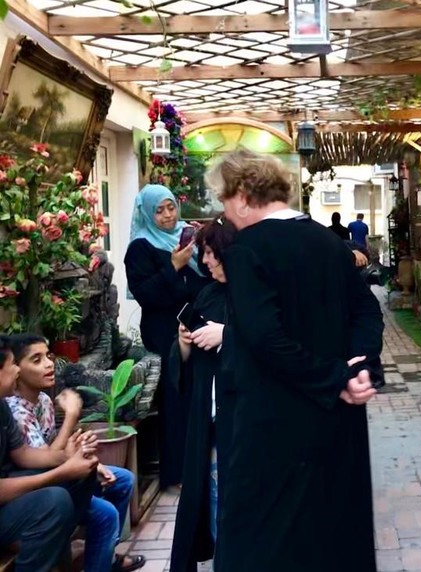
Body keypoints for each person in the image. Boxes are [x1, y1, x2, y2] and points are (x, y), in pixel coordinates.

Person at [205, 148, 384, 571]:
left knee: (265, 542)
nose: (224, 213)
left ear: (243, 196)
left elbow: (265, 340)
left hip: (274, 424)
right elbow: (367, 311)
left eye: (224, 200)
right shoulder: (328, 241)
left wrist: (338, 377)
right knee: (332, 534)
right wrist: (358, 368)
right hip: (336, 421)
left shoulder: (247, 250)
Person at [6, 334, 146, 572]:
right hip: (34, 492)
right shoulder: (15, 410)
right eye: (37, 360)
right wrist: (71, 416)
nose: (49, 364)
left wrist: (85, 456)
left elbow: (50, 450)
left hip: (53, 478)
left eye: (48, 356)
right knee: (105, 514)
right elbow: (42, 463)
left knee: (122, 479)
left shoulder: (43, 400)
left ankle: (104, 556)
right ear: (15, 370)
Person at [124, 184, 210, 489]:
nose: (167, 215)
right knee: (175, 396)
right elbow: (146, 295)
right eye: (158, 211)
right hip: (164, 332)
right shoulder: (140, 247)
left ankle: (202, 465)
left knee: (199, 394)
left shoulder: (186, 236)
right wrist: (173, 266)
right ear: (148, 213)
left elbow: (204, 279)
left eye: (170, 207)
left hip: (197, 326)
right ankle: (178, 473)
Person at [169, 217, 237, 572]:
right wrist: (183, 344)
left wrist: (227, 335)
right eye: (204, 253)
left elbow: (273, 347)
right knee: (211, 492)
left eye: (211, 253)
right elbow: (187, 364)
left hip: (241, 418)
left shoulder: (254, 296)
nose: (206, 261)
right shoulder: (207, 294)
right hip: (207, 417)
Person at [0, 335, 98, 572]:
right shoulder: (14, 407)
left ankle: (57, 551)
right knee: (55, 501)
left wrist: (70, 457)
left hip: (9, 494)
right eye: (12, 365)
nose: (16, 370)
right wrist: (62, 471)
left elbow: (23, 453)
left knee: (84, 474)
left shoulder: (2, 406)